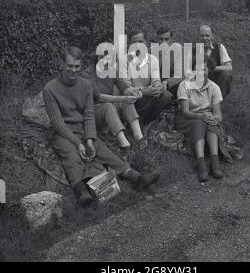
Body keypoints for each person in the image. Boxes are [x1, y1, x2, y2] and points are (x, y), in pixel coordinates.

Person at [43, 46, 159, 207]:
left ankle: (136, 177)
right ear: (62, 64)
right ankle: (81, 191)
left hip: (83, 128)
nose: (73, 70)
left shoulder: (85, 85)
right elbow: (57, 123)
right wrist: (78, 144)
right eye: (70, 66)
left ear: (80, 64)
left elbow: (89, 115)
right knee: (71, 155)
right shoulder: (50, 89)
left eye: (77, 66)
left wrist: (89, 139)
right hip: (63, 132)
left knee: (102, 150)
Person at [80, 43, 145, 151]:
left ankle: (139, 137)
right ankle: (124, 144)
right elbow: (98, 97)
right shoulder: (87, 74)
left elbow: (124, 87)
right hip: (93, 114)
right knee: (108, 105)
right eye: (102, 57)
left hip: (109, 111)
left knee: (125, 99)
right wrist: (122, 98)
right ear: (96, 57)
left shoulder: (112, 71)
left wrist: (134, 92)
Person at [175, 56, 224, 182]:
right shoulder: (184, 85)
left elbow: (218, 114)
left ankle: (215, 161)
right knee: (199, 123)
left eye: (204, 69)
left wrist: (215, 119)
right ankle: (201, 163)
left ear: (209, 70)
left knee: (211, 123)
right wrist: (201, 116)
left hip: (205, 117)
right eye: (197, 69)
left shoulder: (214, 87)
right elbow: (185, 112)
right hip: (187, 119)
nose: (201, 72)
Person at [123, 29, 173, 124]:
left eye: (140, 41)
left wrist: (158, 87)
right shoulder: (124, 61)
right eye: (134, 42)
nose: (138, 45)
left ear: (146, 42)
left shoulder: (152, 59)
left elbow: (156, 80)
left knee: (166, 96)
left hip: (148, 96)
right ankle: (134, 121)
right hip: (132, 98)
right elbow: (126, 88)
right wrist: (144, 91)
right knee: (135, 96)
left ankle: (148, 122)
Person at [198, 25, 232, 100]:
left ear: (212, 36)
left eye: (207, 36)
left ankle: (219, 102)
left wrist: (211, 69)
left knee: (226, 74)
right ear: (198, 37)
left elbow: (229, 67)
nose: (204, 38)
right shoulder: (193, 50)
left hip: (216, 80)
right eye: (202, 36)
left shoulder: (220, 47)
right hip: (200, 81)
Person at [156, 26, 184, 98]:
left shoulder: (178, 49)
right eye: (161, 39)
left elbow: (179, 74)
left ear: (171, 40)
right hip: (157, 84)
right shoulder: (151, 51)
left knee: (182, 85)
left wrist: (167, 82)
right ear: (157, 39)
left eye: (166, 39)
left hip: (173, 83)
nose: (163, 42)